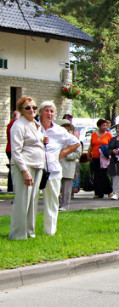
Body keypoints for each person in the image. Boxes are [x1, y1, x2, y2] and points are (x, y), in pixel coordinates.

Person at [8, 96, 46, 240]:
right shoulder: (18, 125)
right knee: (22, 200)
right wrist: (24, 171)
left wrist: (43, 139)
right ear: (21, 110)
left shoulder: (35, 124)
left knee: (33, 201)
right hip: (24, 166)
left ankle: (30, 232)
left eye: (34, 107)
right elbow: (16, 152)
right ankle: (17, 234)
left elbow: (37, 139)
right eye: (28, 108)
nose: (32, 110)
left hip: (37, 165)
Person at [39, 101, 79, 234]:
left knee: (52, 200)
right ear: (40, 112)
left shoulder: (58, 130)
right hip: (35, 168)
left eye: (51, 111)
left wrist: (62, 153)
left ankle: (50, 231)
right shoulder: (34, 127)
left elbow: (75, 143)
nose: (49, 114)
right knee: (32, 201)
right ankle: (29, 230)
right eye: (46, 110)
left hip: (53, 169)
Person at [58, 119, 82, 211]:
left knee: (66, 188)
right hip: (57, 166)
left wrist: (68, 155)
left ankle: (65, 205)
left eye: (67, 126)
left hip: (68, 166)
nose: (66, 128)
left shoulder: (74, 140)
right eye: (64, 126)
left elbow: (78, 153)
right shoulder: (56, 138)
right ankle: (55, 204)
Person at [87, 119, 113, 198]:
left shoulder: (108, 135)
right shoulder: (94, 134)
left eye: (106, 125)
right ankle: (98, 193)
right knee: (96, 175)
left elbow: (112, 145)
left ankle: (109, 191)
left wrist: (111, 155)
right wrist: (88, 154)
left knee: (103, 174)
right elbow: (91, 145)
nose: (104, 127)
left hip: (104, 158)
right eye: (103, 125)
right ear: (98, 126)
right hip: (95, 157)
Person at [5, 110, 19, 193]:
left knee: (12, 167)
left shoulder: (11, 124)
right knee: (13, 167)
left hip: (10, 148)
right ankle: (11, 187)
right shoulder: (14, 124)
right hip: (11, 149)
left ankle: (11, 187)